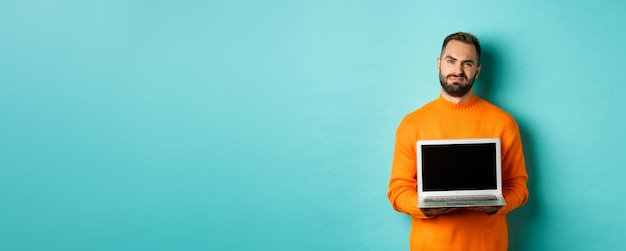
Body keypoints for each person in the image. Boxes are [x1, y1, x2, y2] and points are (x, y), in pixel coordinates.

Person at [387, 32, 529, 250]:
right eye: (451, 61)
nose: (458, 70)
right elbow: (398, 190)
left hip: (487, 245)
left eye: (467, 63)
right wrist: (423, 207)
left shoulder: (503, 122)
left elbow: (519, 187)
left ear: (478, 71)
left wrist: (496, 206)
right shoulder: (412, 124)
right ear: (439, 64)